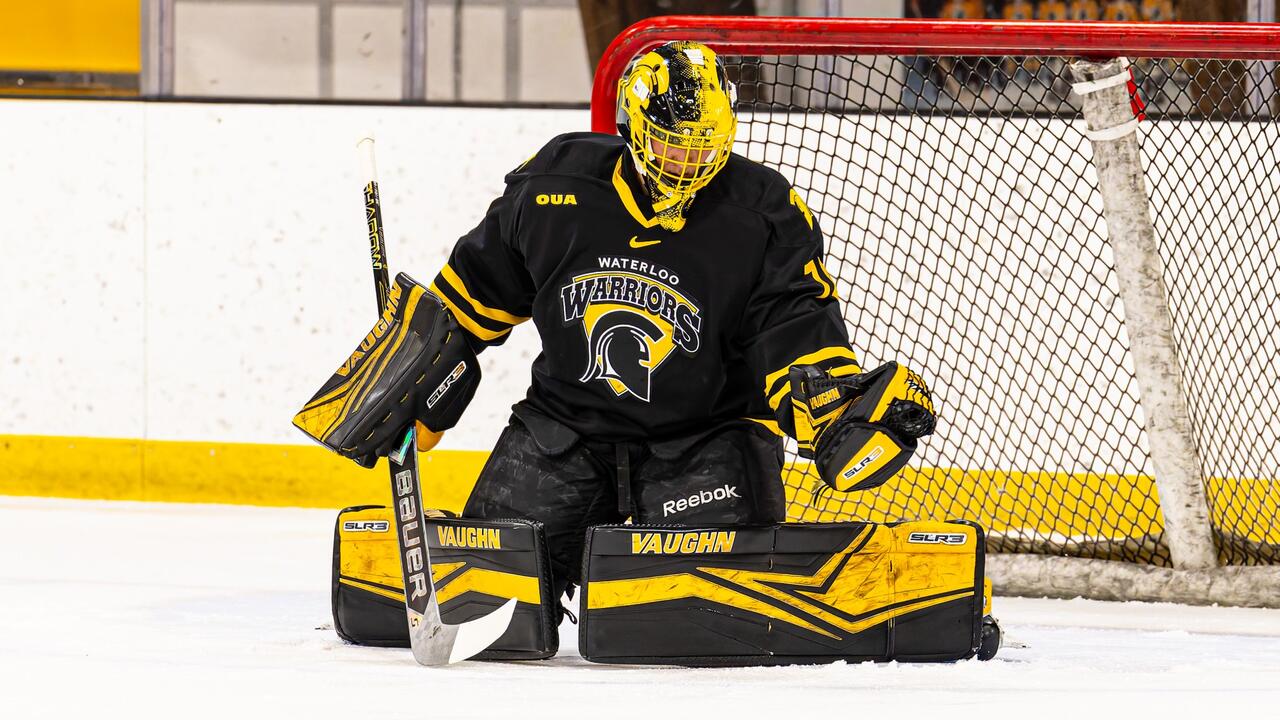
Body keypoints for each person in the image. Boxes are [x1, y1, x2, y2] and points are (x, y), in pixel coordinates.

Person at [301, 41, 936, 606]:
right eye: (669, 144)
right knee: (492, 594)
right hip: (566, 429)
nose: (686, 162)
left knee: (705, 607)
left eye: (703, 145)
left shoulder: (762, 214)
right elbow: (474, 295)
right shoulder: (555, 187)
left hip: (706, 438)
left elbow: (794, 327)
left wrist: (829, 409)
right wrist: (412, 371)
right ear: (633, 129)